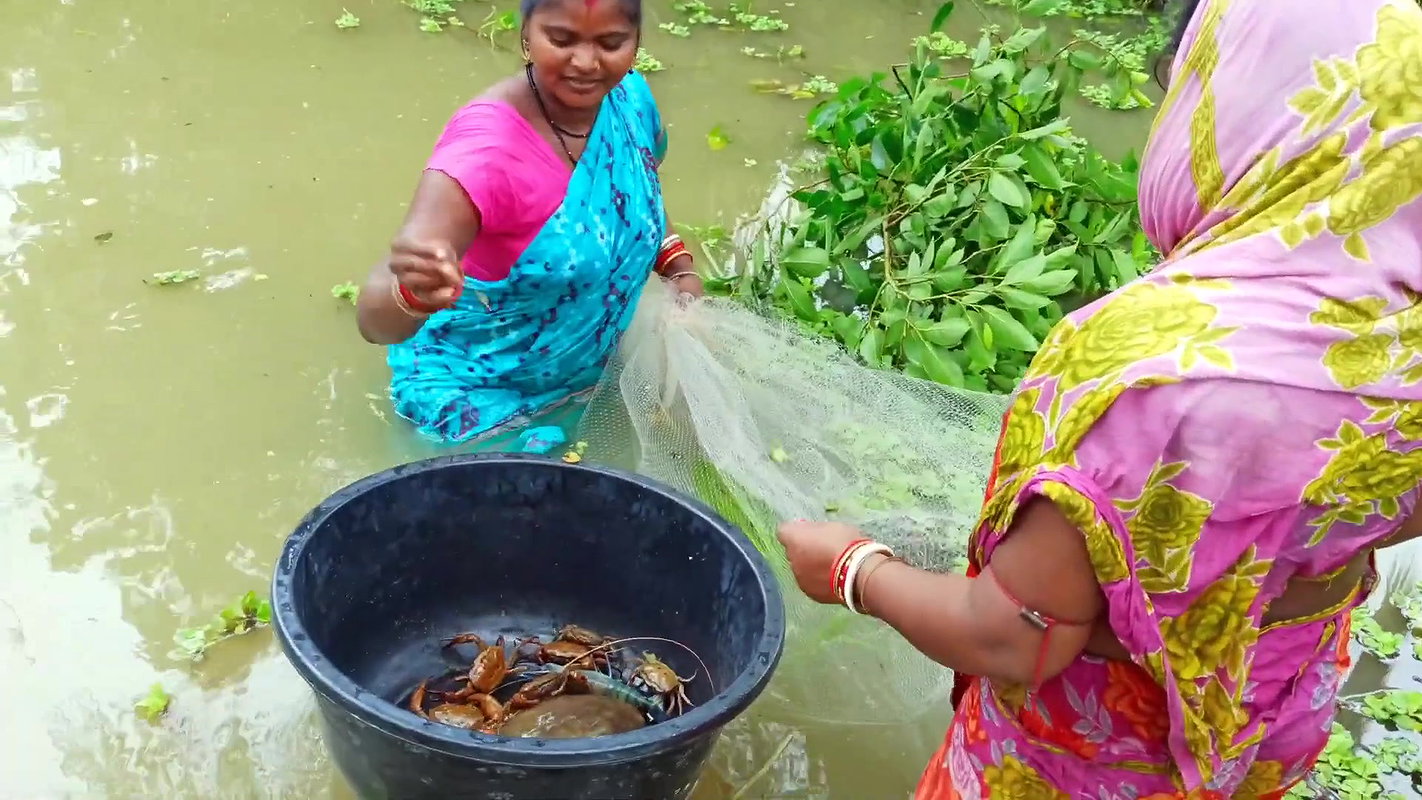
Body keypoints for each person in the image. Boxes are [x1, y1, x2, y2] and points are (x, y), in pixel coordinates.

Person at [777, 0, 1422, 797]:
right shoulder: (1405, 340)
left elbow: (1020, 637)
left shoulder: (1149, 372)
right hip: (1272, 732)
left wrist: (851, 568)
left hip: (1098, 759)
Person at [354, 0, 701, 447]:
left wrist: (679, 267)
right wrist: (415, 291)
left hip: (591, 381)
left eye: (611, 43)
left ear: (636, 42)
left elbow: (636, 194)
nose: (586, 63)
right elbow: (374, 322)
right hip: (482, 408)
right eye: (561, 39)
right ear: (526, 34)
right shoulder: (486, 151)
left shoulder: (631, 102)